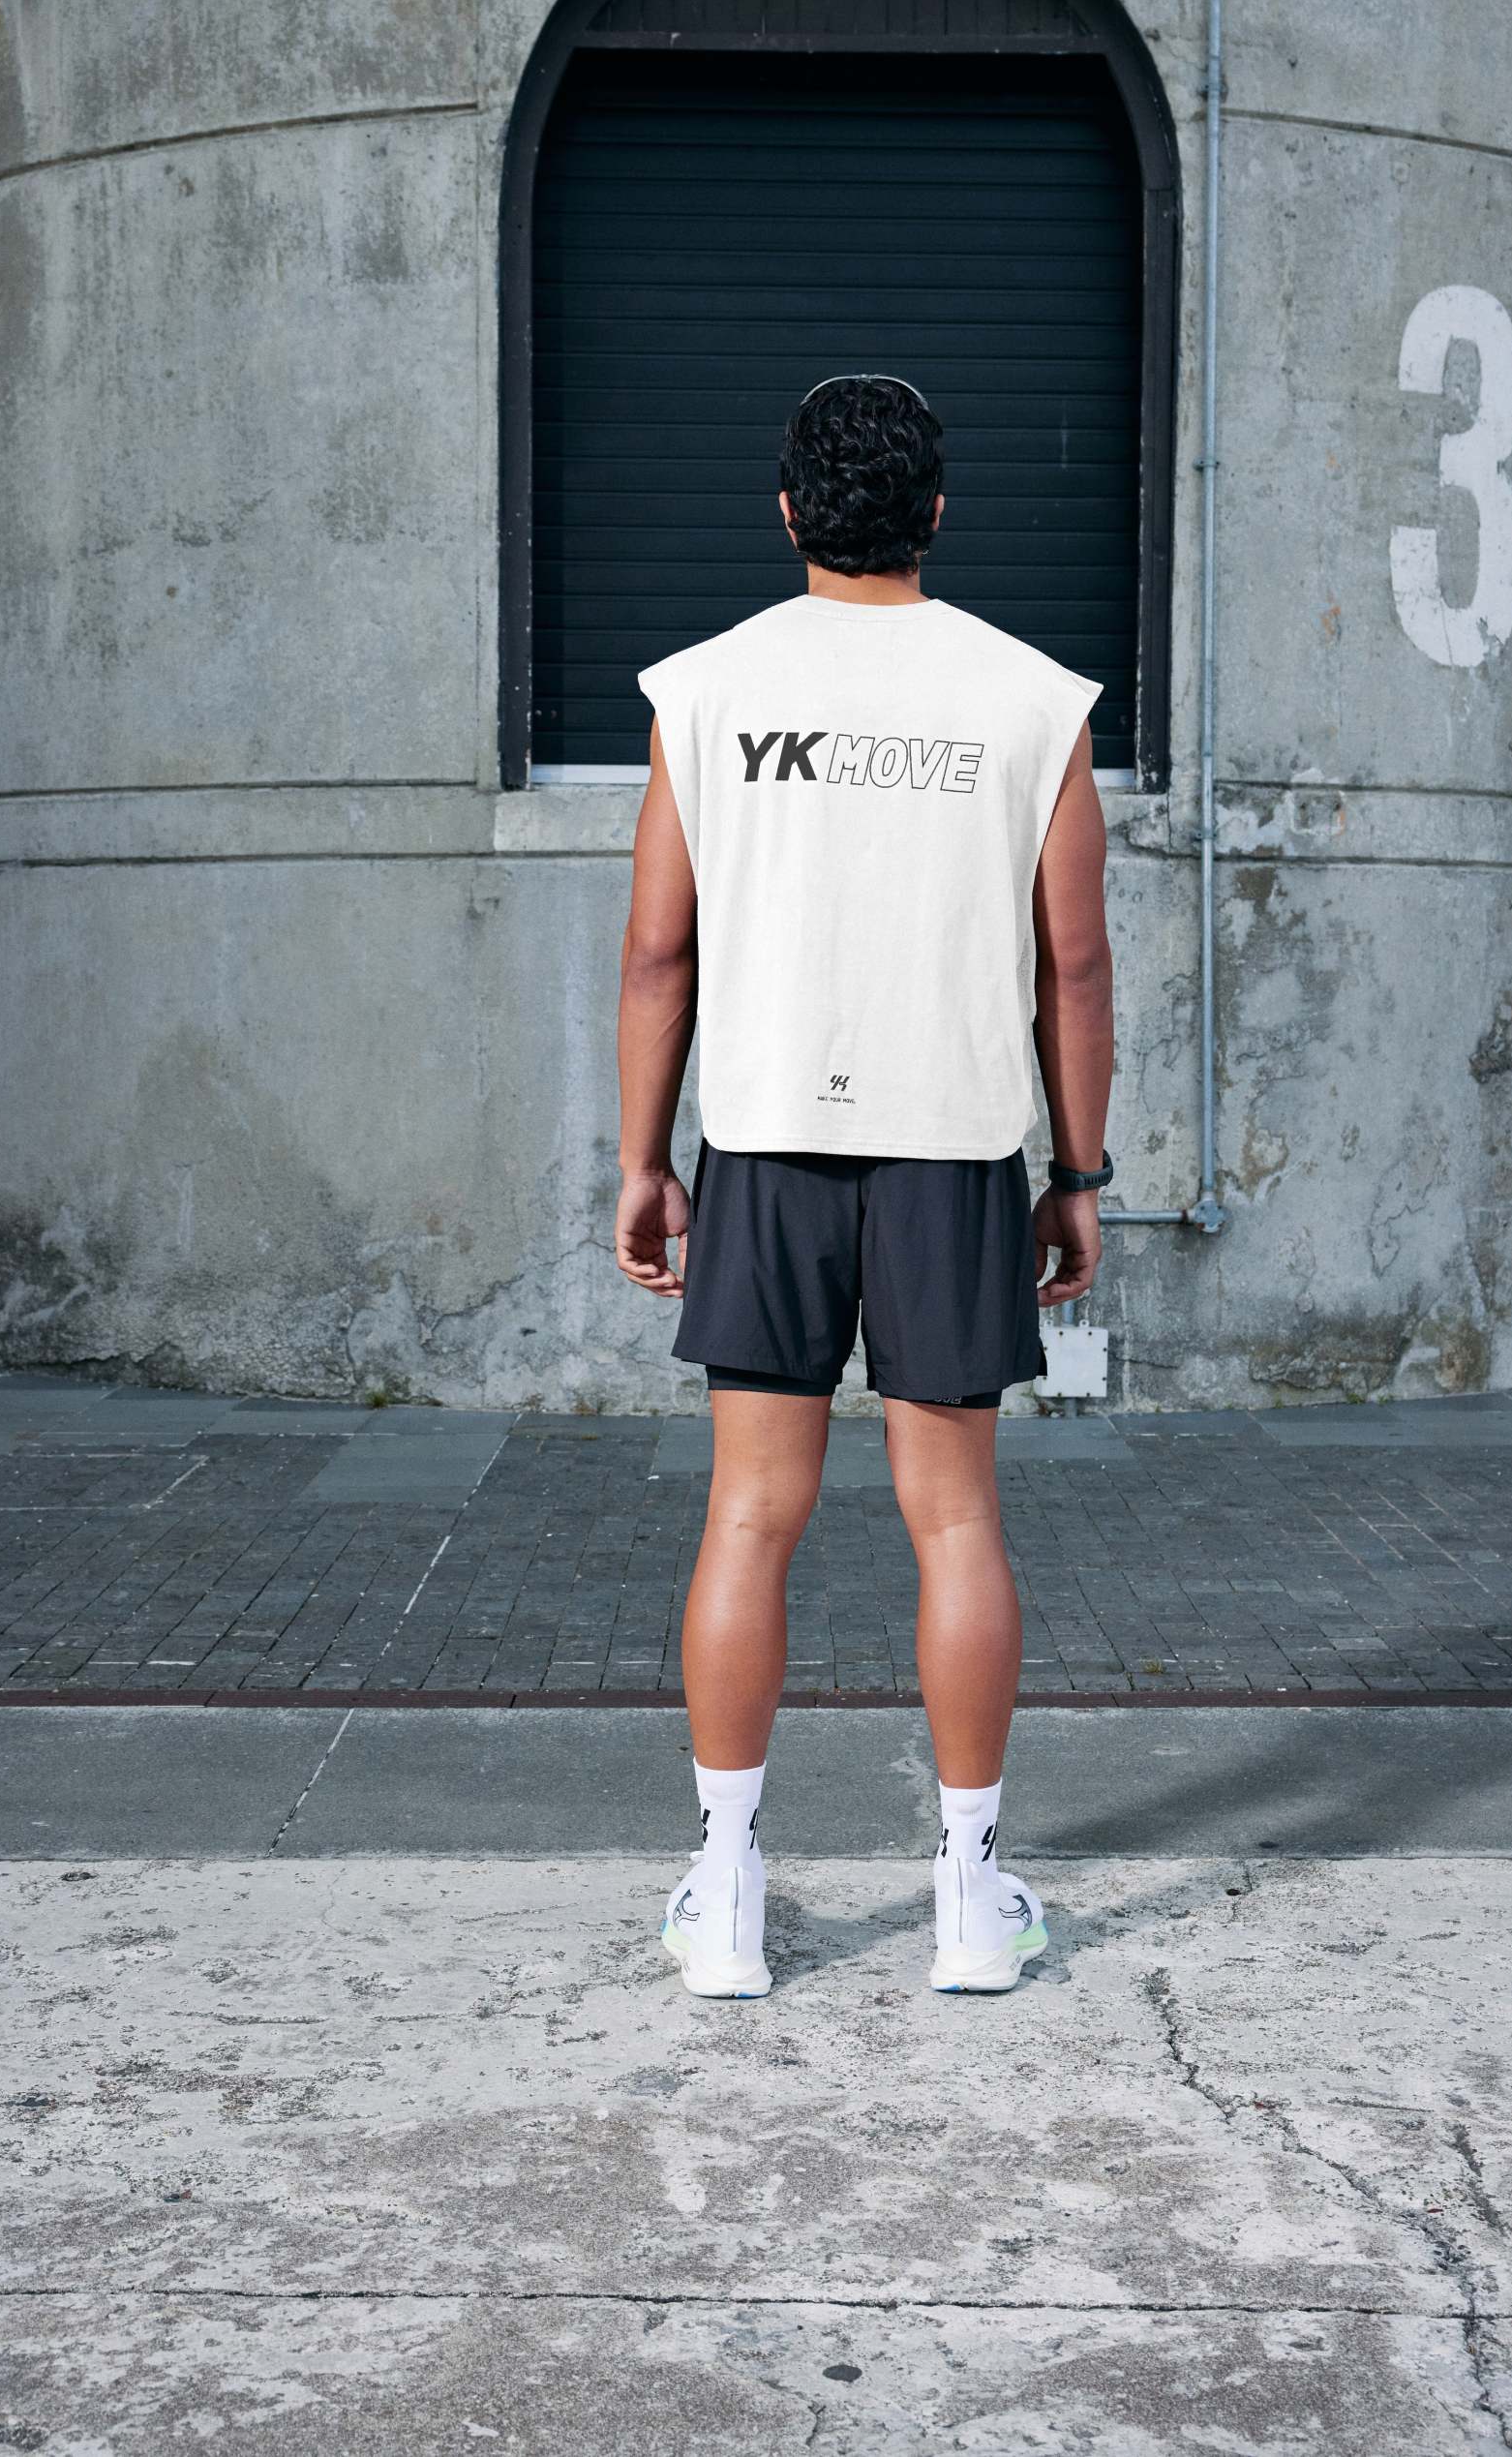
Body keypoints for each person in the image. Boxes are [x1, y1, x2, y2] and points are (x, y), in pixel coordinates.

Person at [614, 373, 1115, 1998]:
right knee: (955, 1519)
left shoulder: (705, 690)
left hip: (765, 1144)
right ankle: (969, 1902)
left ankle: (726, 1894)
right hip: (954, 1154)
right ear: (937, 514)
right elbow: (1075, 965)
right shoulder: (1031, 697)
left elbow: (659, 952)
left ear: (787, 512)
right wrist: (1079, 1172)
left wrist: (642, 1159)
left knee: (749, 1515)